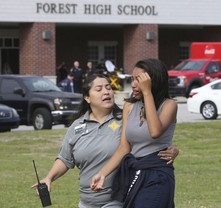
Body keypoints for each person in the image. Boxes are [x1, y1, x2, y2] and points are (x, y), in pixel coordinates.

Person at [32, 74, 179, 208]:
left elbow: (146, 140)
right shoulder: (77, 126)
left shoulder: (126, 119)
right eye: (99, 89)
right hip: (86, 202)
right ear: (87, 98)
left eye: (108, 88)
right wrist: (49, 178)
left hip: (117, 200)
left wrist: (173, 149)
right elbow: (65, 159)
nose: (106, 92)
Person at [91, 59, 178, 208]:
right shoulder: (130, 106)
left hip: (158, 176)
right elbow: (124, 148)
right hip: (135, 174)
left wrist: (147, 93)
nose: (133, 84)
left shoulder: (169, 105)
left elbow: (155, 131)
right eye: (132, 79)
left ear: (152, 81)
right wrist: (102, 173)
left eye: (139, 80)